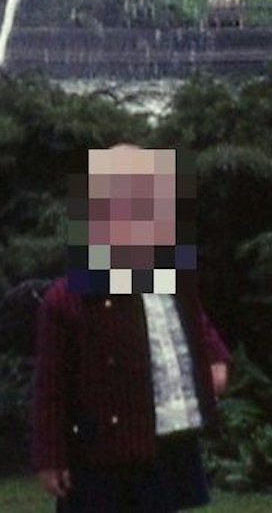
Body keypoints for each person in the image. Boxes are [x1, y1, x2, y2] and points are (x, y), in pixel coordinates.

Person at [32, 145, 231, 513]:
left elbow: (196, 326)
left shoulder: (171, 276)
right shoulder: (71, 297)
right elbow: (51, 386)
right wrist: (50, 456)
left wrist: (216, 358)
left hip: (165, 432)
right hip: (101, 448)